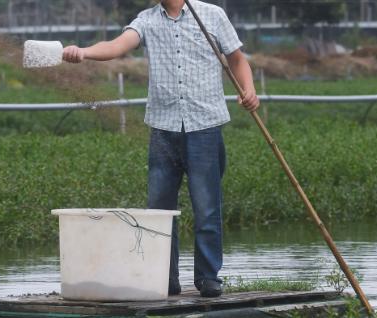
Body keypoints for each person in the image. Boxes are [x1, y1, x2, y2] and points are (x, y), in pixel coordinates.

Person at [63, 0, 259, 297]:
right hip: (163, 130)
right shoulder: (147, 20)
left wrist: (248, 89)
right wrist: (83, 53)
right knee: (159, 210)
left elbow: (236, 59)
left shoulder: (211, 15)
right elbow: (117, 46)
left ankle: (207, 278)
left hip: (204, 125)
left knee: (206, 209)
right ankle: (164, 278)